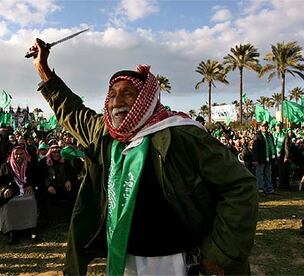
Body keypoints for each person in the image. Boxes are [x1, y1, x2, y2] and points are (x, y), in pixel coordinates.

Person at [30, 39, 258, 275]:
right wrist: (43, 69)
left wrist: (219, 252)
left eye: (127, 94)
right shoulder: (105, 134)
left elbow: (239, 186)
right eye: (113, 95)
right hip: (124, 258)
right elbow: (72, 110)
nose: (117, 101)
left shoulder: (181, 134)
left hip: (175, 260)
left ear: (146, 99)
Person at [0, 145, 38, 244]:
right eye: (16, 154)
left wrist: (31, 185)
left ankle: (31, 228)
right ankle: (12, 231)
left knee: (31, 200)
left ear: (25, 155)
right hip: (12, 192)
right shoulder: (5, 166)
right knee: (10, 203)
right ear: (13, 155)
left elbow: (37, 179)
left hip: (26, 191)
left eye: (21, 154)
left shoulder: (30, 165)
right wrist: (5, 189)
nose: (19, 156)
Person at [38, 144, 78, 224]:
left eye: (58, 152)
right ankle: (48, 220)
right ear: (50, 153)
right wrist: (48, 185)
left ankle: (71, 217)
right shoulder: (44, 162)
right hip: (50, 188)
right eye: (54, 152)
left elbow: (72, 173)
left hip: (63, 186)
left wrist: (68, 180)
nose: (56, 154)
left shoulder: (65, 161)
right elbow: (40, 177)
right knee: (43, 196)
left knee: (75, 191)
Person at [252, 121, 276, 194]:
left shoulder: (270, 135)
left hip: (269, 157)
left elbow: (272, 146)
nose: (264, 128)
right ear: (260, 127)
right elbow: (255, 149)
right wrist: (255, 159)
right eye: (263, 126)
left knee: (268, 174)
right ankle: (260, 189)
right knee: (260, 174)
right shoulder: (257, 136)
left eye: (266, 126)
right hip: (260, 158)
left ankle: (269, 188)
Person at [273, 122, 290, 190]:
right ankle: (273, 185)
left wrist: (286, 156)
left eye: (279, 126)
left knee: (282, 171)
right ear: (275, 127)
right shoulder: (273, 134)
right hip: (273, 155)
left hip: (282, 155)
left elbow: (287, 147)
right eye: (277, 126)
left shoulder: (285, 135)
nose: (278, 127)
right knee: (273, 171)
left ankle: (282, 186)